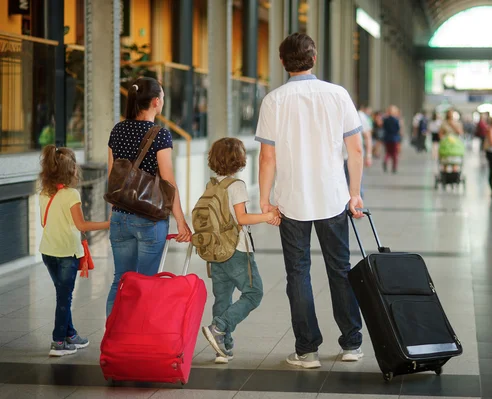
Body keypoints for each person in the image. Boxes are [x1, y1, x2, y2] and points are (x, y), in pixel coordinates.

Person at [255, 33, 365, 369]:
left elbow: (266, 158)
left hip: (291, 202)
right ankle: (351, 344)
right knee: (340, 270)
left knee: (298, 274)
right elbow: (356, 150)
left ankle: (306, 350)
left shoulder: (274, 100)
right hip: (333, 197)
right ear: (314, 58)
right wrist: (355, 193)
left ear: (282, 61)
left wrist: (264, 201)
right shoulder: (338, 95)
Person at [106, 77, 192, 316]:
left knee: (120, 281)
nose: (163, 100)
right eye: (162, 96)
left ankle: (113, 336)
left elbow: (112, 175)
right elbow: (168, 182)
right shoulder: (160, 135)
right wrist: (181, 221)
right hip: (149, 219)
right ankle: (137, 337)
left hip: (120, 217)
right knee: (145, 284)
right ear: (155, 102)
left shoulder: (118, 129)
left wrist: (114, 214)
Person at [201, 138, 278, 364]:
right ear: (239, 159)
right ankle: (220, 327)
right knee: (254, 293)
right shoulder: (236, 186)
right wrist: (268, 216)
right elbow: (241, 218)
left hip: (215, 251)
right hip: (236, 250)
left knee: (222, 297)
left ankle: (222, 347)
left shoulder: (212, 184)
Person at [39, 145, 110, 356]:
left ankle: (70, 334)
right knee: (64, 297)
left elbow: (45, 223)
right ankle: (58, 342)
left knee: (63, 294)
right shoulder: (71, 194)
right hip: (66, 254)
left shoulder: (44, 192)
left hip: (48, 251)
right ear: (70, 170)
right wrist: (107, 224)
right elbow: (81, 225)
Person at [382, 105, 402, 173]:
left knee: (388, 152)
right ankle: (394, 167)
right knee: (395, 154)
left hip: (387, 138)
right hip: (394, 138)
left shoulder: (385, 120)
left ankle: (385, 160)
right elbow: (398, 129)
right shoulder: (396, 120)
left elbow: (383, 127)